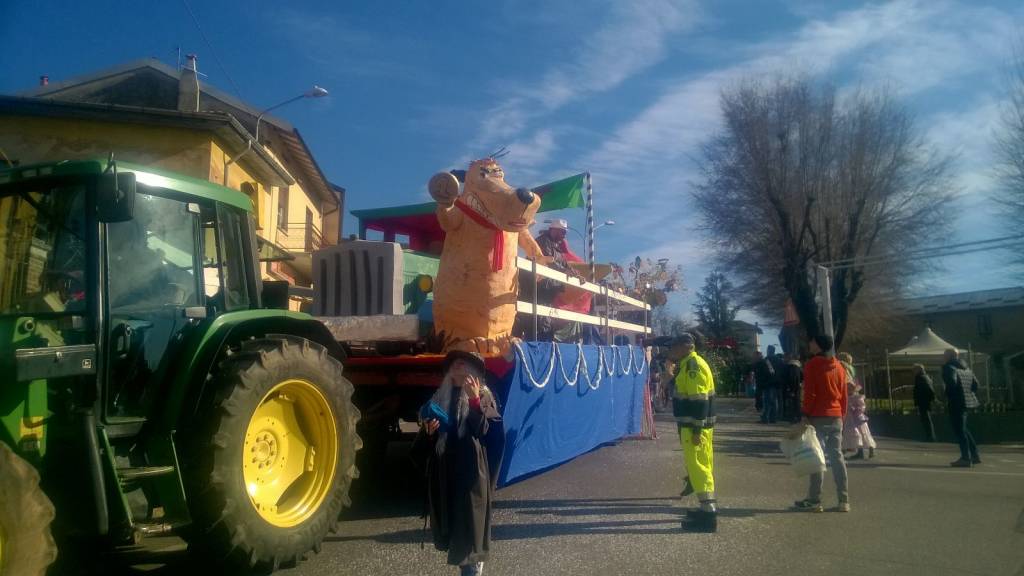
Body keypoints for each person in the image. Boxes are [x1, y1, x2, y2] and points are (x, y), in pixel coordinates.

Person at [413, 351, 503, 575]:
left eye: (464, 364)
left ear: (475, 374)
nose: (457, 366)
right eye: (454, 364)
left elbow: (488, 433)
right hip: (446, 475)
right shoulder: (439, 397)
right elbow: (423, 443)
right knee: (455, 532)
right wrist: (429, 430)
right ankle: (472, 562)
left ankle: (473, 565)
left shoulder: (483, 396)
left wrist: (473, 402)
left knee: (468, 540)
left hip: (471, 477)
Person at [664, 333, 718, 532]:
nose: (671, 351)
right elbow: (682, 393)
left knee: (699, 468)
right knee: (700, 466)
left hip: (695, 428)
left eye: (674, 347)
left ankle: (708, 512)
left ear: (686, 346)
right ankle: (705, 508)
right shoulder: (688, 364)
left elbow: (700, 399)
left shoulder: (692, 366)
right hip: (694, 426)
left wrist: (697, 429)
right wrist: (670, 378)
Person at [794, 333, 850, 513]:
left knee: (817, 458)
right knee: (837, 457)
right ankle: (844, 499)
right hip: (836, 416)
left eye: (812, 341)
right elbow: (844, 395)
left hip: (817, 415)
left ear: (817, 345)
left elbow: (810, 392)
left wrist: (805, 413)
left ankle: (815, 499)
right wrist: (843, 415)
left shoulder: (812, 365)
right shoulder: (840, 367)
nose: (810, 343)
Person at [942, 349, 981, 467]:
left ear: (948, 356)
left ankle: (965, 458)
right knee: (963, 429)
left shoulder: (948, 367)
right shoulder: (966, 368)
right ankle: (974, 455)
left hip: (956, 402)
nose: (943, 357)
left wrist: (948, 395)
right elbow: (976, 385)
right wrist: (966, 392)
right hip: (967, 402)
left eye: (944, 355)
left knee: (959, 430)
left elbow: (951, 384)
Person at [841, 381, 876, 459]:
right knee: (853, 434)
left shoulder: (857, 397)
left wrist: (856, 409)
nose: (848, 389)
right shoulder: (846, 397)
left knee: (863, 433)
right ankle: (851, 450)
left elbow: (862, 407)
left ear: (854, 389)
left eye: (850, 388)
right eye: (847, 388)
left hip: (858, 419)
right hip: (850, 419)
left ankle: (869, 450)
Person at [754, 345, 781, 423]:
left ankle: (765, 417)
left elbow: (765, 372)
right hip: (776, 383)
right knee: (774, 401)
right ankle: (773, 418)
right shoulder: (779, 360)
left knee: (767, 401)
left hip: (768, 383)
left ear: (769, 351)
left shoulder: (766, 360)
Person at [913, 364, 937, 442]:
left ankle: (930, 437)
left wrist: (932, 398)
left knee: (926, 419)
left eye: (915, 369)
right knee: (926, 419)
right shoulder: (926, 377)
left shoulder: (920, 378)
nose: (913, 371)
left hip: (923, 401)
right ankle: (930, 436)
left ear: (919, 370)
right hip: (925, 401)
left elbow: (927, 389)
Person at [781, 354, 803, 423]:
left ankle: (793, 417)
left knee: (792, 403)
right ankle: (798, 417)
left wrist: (791, 390)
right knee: (797, 403)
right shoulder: (799, 367)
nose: (784, 360)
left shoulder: (791, 367)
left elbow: (792, 378)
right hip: (797, 388)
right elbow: (802, 377)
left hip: (792, 388)